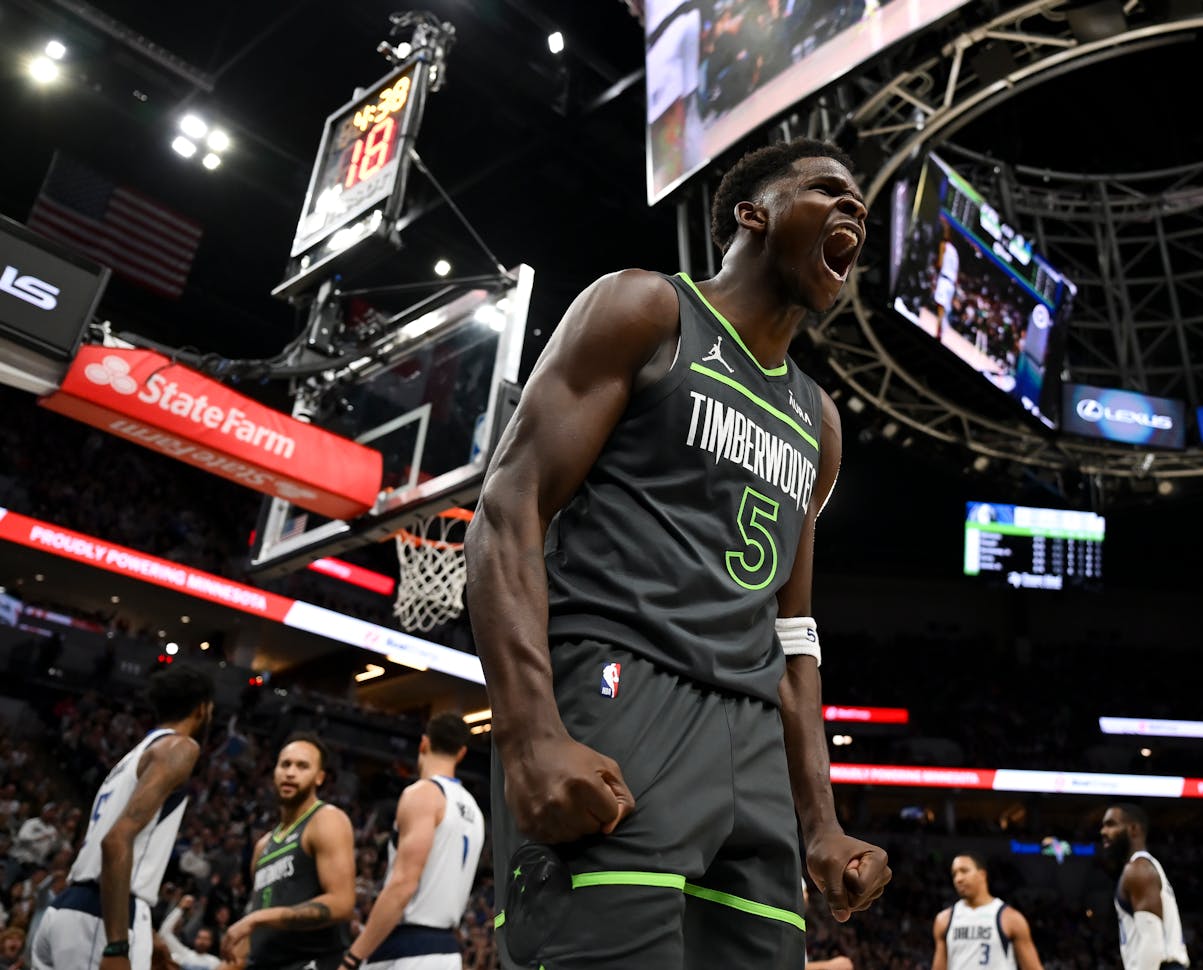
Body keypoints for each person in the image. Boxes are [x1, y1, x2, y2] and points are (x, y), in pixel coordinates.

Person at [466, 137, 890, 970]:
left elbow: (793, 634)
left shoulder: (819, 422)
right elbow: (508, 509)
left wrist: (820, 823)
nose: (855, 213)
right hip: (622, 690)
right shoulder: (645, 310)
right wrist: (529, 735)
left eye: (862, 208)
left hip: (751, 739)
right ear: (753, 213)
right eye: (829, 193)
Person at [31, 665, 214, 970]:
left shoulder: (132, 757)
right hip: (103, 918)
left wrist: (148, 933)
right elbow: (116, 840)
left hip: (69, 908)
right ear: (202, 709)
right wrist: (118, 943)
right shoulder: (180, 747)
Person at [341, 713, 485, 970]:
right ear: (461, 753)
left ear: (423, 744)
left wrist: (353, 957)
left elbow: (403, 885)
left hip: (406, 948)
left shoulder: (422, 794)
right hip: (447, 953)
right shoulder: (474, 810)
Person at [222, 734, 356, 970]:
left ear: (320, 778)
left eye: (302, 766)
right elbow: (256, 925)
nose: (290, 772)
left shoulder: (325, 820)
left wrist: (258, 918)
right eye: (285, 764)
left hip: (313, 963)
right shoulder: (263, 846)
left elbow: (342, 903)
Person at [1099, 803, 1189, 970]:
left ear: (1133, 829)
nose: (1103, 831)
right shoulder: (1145, 866)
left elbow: (1152, 943)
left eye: (1111, 824)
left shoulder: (1138, 870)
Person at [931, 852, 1044, 970]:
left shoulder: (1011, 918)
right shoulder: (944, 920)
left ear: (982, 874)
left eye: (964, 871)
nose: (958, 879)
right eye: (954, 874)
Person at [159, 894, 221, 970]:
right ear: (195, 939)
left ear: (211, 942)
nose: (202, 941)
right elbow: (164, 933)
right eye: (199, 937)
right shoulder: (183, 954)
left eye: (206, 939)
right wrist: (180, 908)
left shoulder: (215, 962)